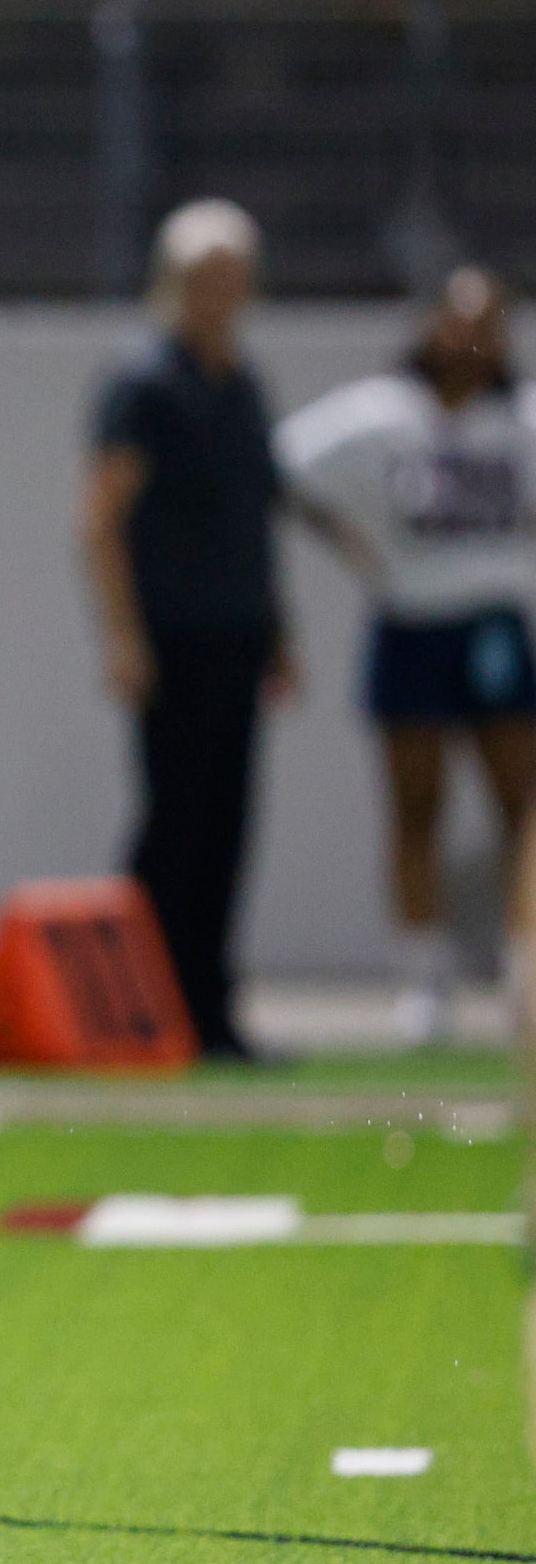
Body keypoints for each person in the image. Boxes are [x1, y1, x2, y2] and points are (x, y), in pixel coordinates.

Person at [277, 268, 536, 1044]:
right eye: (460, 320)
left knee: (517, 808)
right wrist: (354, 544)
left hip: (493, 622)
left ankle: (522, 968)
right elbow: (284, 468)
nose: (472, 337)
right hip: (412, 620)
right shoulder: (379, 415)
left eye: (488, 322)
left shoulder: (522, 420)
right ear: (428, 327)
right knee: (415, 805)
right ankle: (422, 978)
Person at [81, 198, 288, 1062]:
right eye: (205, 277)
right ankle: (144, 1009)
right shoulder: (144, 385)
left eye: (232, 277)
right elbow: (99, 520)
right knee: (174, 827)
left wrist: (278, 634)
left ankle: (211, 1011)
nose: (220, 294)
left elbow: (254, 519)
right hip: (171, 637)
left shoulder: (242, 385)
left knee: (229, 827)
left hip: (238, 633)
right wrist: (122, 636)